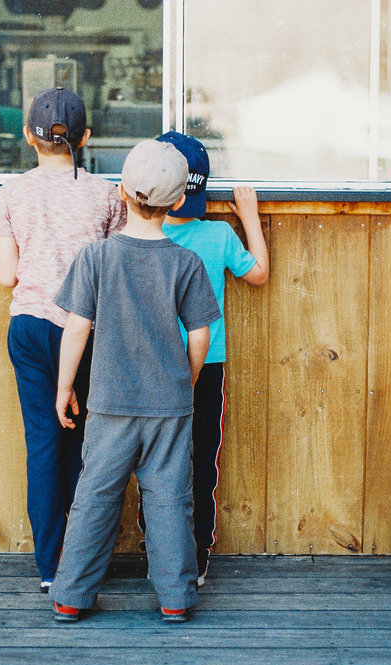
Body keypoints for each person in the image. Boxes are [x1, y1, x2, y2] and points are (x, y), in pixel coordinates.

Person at [49, 139, 222, 624]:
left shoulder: (97, 257)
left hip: (110, 405)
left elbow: (77, 327)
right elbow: (202, 334)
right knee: (170, 499)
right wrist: (185, 382)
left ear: (121, 191)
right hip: (169, 405)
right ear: (175, 203)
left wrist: (65, 388)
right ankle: (176, 599)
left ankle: (71, 596)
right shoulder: (185, 263)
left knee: (96, 496)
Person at [0, 87, 126, 594]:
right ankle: (82, 558)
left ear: (28, 136)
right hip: (86, 330)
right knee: (87, 445)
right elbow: (113, 267)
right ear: (85, 138)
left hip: (29, 328)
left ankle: (50, 567)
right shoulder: (106, 194)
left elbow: (6, 275)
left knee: (43, 444)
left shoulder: (12, 191)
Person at [137, 131, 269, 587]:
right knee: (200, 460)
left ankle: (154, 546)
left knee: (153, 459)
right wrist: (249, 218)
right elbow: (259, 274)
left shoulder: (141, 235)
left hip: (152, 366)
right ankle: (194, 556)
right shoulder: (217, 233)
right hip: (207, 366)